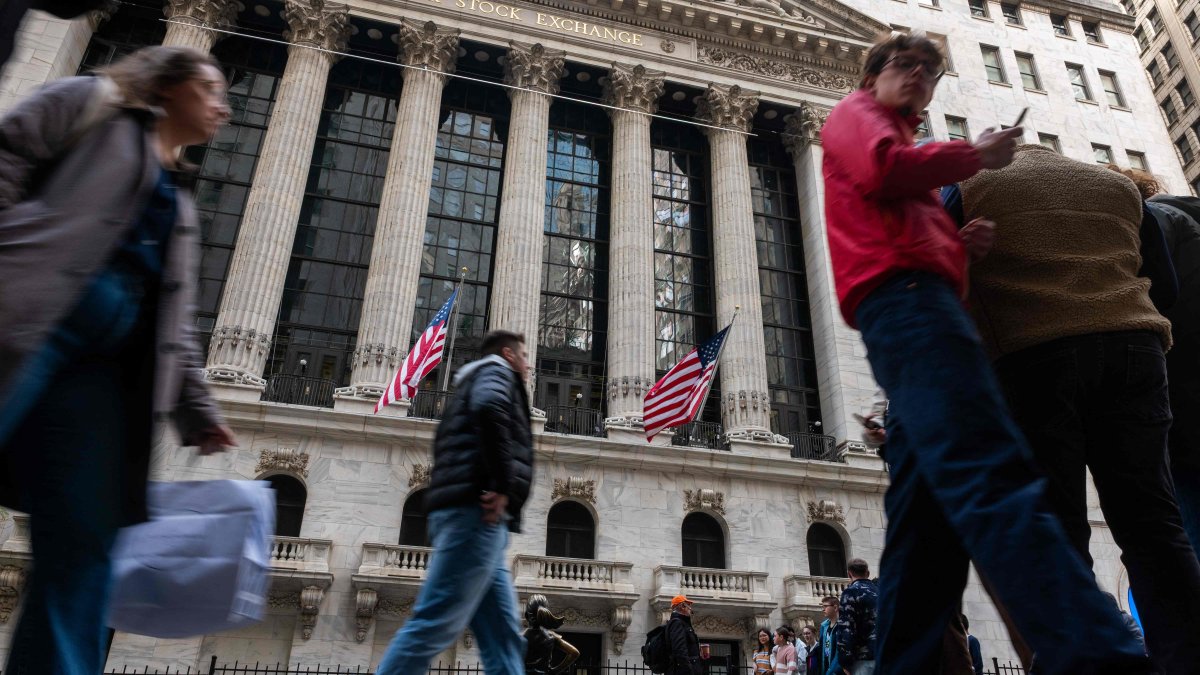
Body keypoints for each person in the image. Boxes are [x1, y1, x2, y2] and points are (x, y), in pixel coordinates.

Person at [820, 29, 1152, 674]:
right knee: (990, 470)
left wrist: (957, 247)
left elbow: (898, 217)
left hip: (922, 307)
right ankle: (1099, 656)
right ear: (872, 76)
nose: (917, 74)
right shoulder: (856, 115)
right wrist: (974, 156)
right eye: (903, 64)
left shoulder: (905, 145)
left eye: (929, 69)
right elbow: (883, 170)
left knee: (926, 526)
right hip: (911, 311)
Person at [0, 46, 235, 674]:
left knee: (84, 551)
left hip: (105, 384)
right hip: (25, 331)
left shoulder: (181, 202)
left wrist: (198, 407)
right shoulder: (89, 103)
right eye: (210, 88)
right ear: (169, 86)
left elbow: (174, 321)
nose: (223, 106)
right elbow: (9, 148)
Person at [951, 145, 1200, 672]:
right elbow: (1166, 286)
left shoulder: (969, 190)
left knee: (1060, 531)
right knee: (1153, 521)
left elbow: (944, 279)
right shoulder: (1117, 187)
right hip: (1135, 352)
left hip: (1032, 359)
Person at [376, 330, 534, 674]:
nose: (528, 362)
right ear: (507, 354)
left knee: (503, 637)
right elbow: (489, 408)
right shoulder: (495, 374)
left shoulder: (476, 381)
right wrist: (503, 484)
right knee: (433, 624)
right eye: (523, 354)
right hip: (476, 516)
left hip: (478, 519)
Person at [836, 559, 878, 675]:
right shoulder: (880, 591)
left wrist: (845, 661)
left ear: (849, 574)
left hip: (863, 659)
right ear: (868, 573)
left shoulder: (850, 592)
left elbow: (846, 628)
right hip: (885, 655)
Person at [666, 595, 702, 675]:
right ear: (682, 606)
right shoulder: (677, 623)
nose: (690, 608)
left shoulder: (683, 623)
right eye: (688, 605)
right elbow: (679, 650)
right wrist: (689, 671)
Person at [811, 596, 841, 675]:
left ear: (835, 608)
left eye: (825, 606)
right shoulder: (824, 626)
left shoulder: (842, 626)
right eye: (822, 606)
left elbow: (841, 652)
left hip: (837, 670)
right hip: (825, 667)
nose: (823, 609)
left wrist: (832, 671)